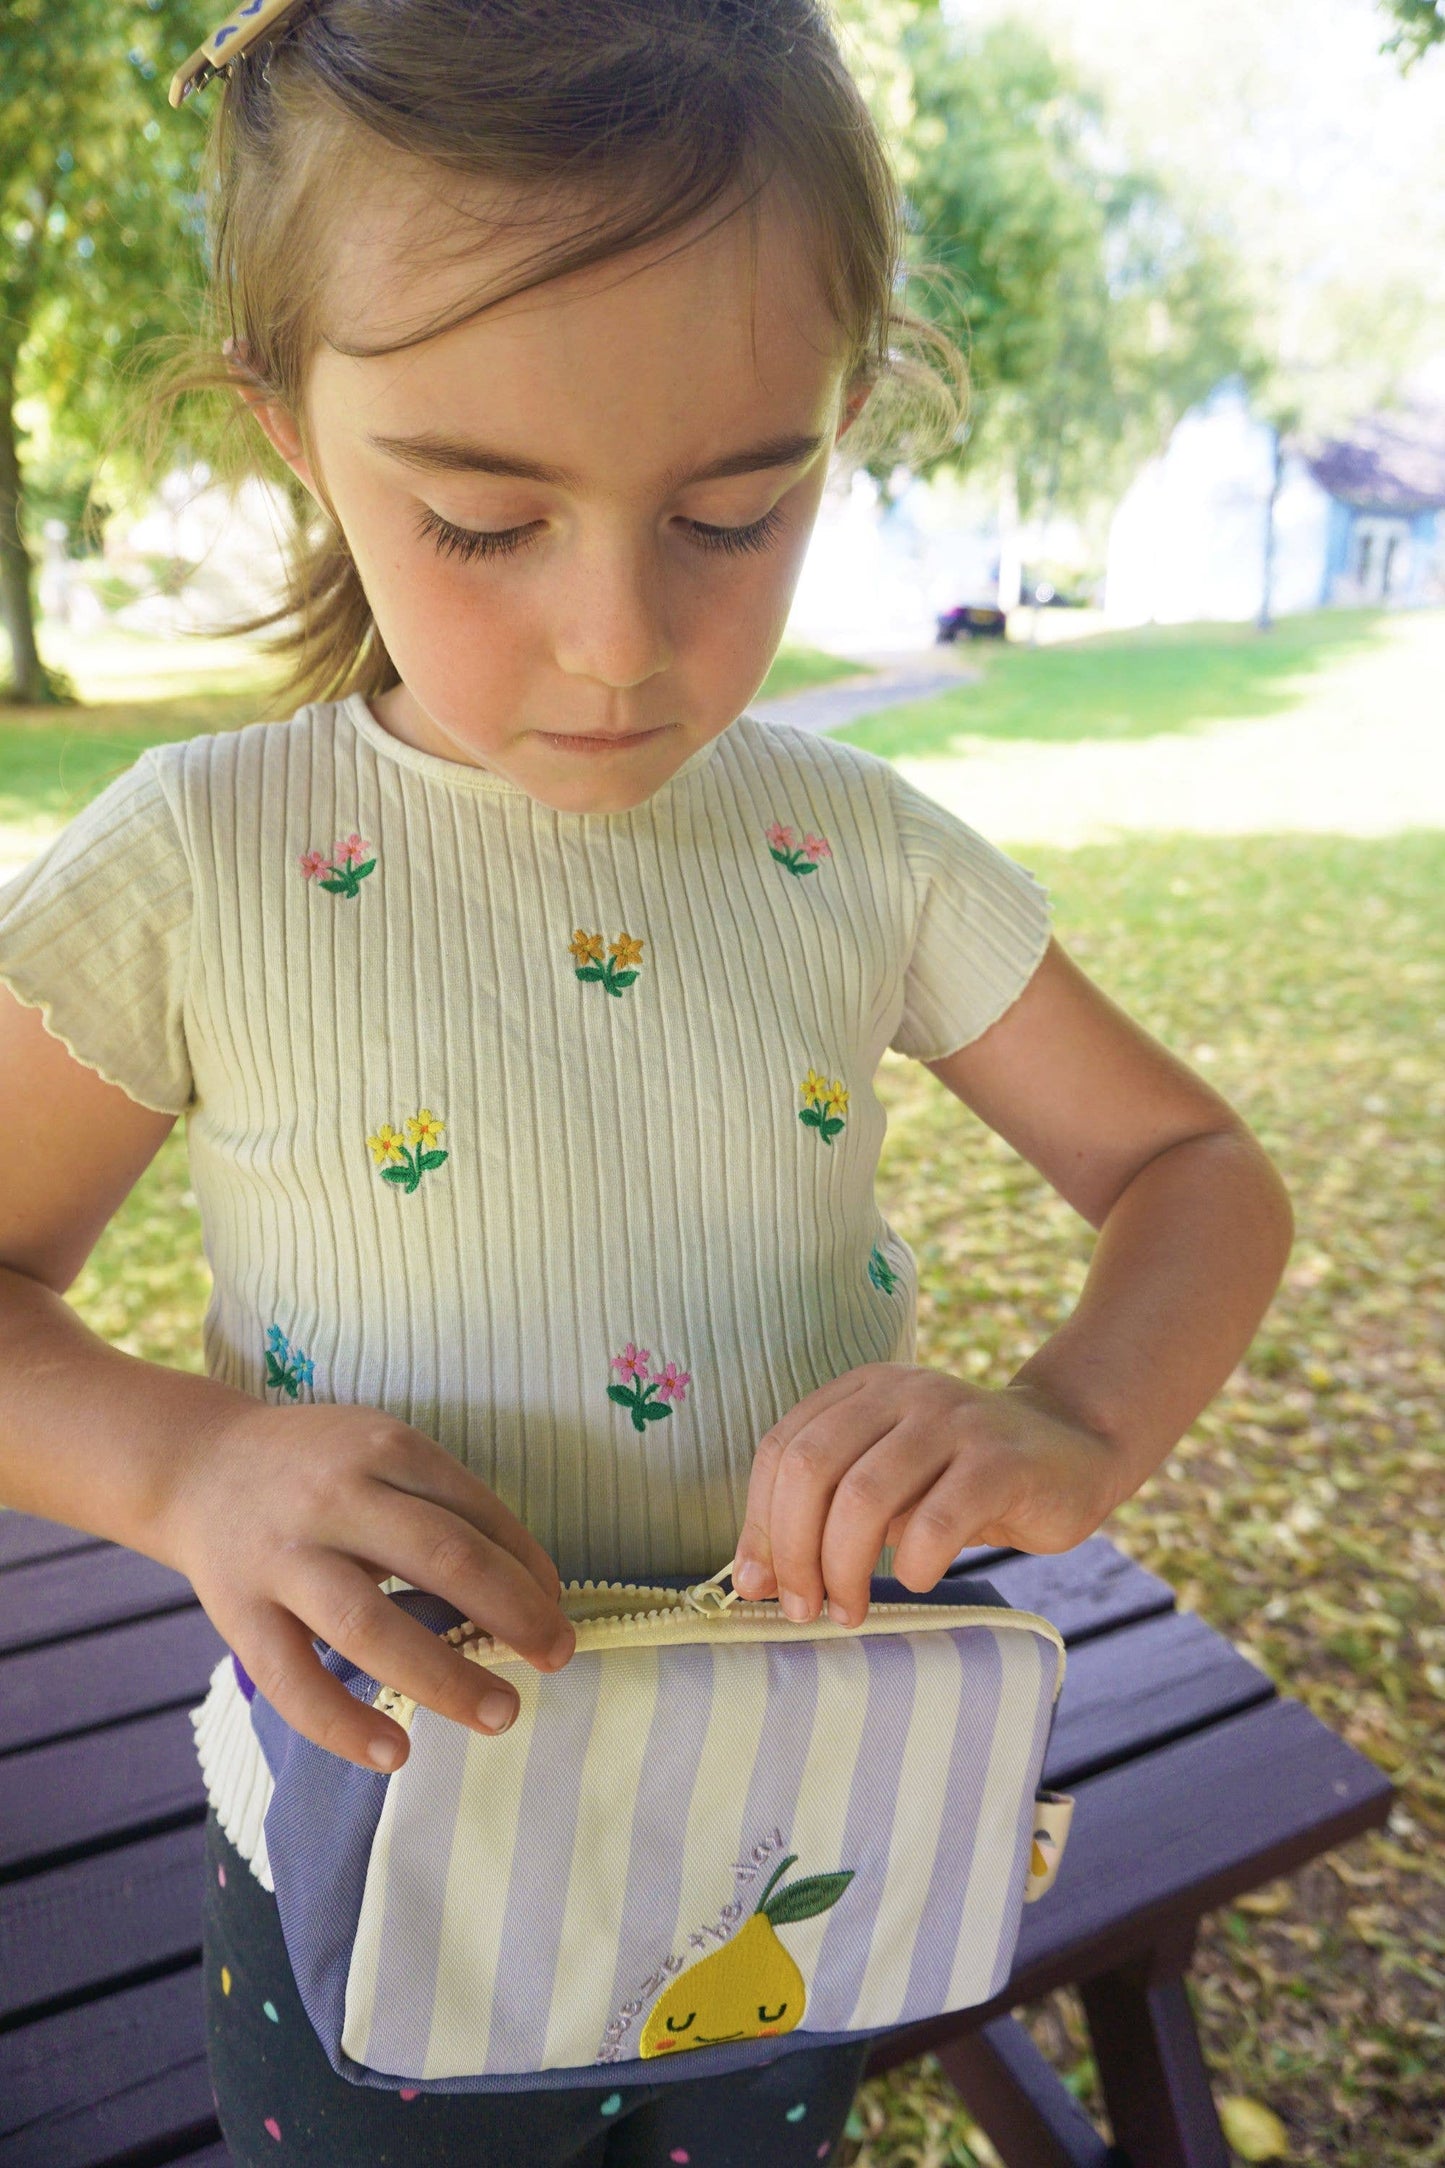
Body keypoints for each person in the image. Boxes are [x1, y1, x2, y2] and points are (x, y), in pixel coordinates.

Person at [0, 0, 1293, 2160]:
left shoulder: (854, 845)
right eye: (486, 523)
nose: (623, 640)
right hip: (379, 1846)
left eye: (736, 508)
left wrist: (1074, 1412)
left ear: (844, 414)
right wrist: (179, 1468)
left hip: (784, 1832)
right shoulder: (197, 860)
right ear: (292, 431)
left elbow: (1191, 1165)